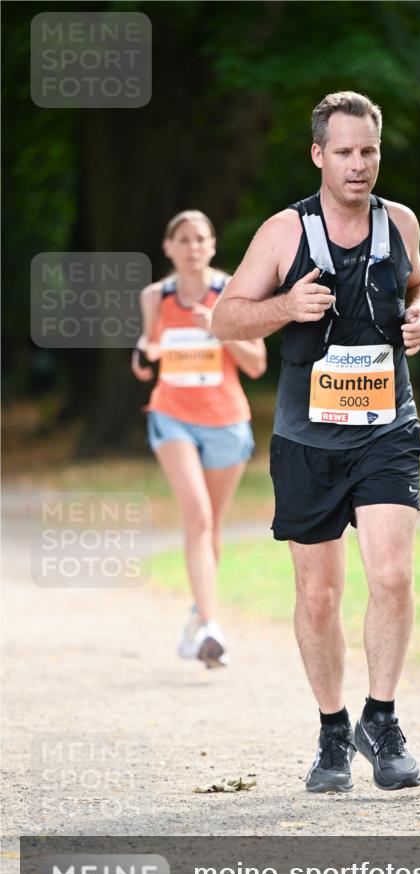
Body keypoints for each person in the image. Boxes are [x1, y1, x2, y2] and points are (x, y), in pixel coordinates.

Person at [212, 92, 420, 792]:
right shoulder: (285, 233)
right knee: (318, 595)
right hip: (306, 438)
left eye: (367, 151)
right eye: (343, 152)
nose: (357, 164)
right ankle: (333, 731)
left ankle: (384, 717)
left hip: (386, 428)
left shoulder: (399, 222)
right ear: (318, 155)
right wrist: (285, 307)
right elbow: (224, 317)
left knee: (392, 574)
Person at [132, 210, 267, 667]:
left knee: (211, 527)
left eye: (200, 239)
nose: (192, 247)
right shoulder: (156, 295)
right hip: (172, 416)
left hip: (226, 420)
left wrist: (220, 329)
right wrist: (142, 354)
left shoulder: (233, 291)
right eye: (183, 240)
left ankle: (198, 614)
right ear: (168, 248)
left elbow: (256, 364)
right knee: (197, 517)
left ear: (212, 246)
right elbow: (149, 349)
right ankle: (212, 626)